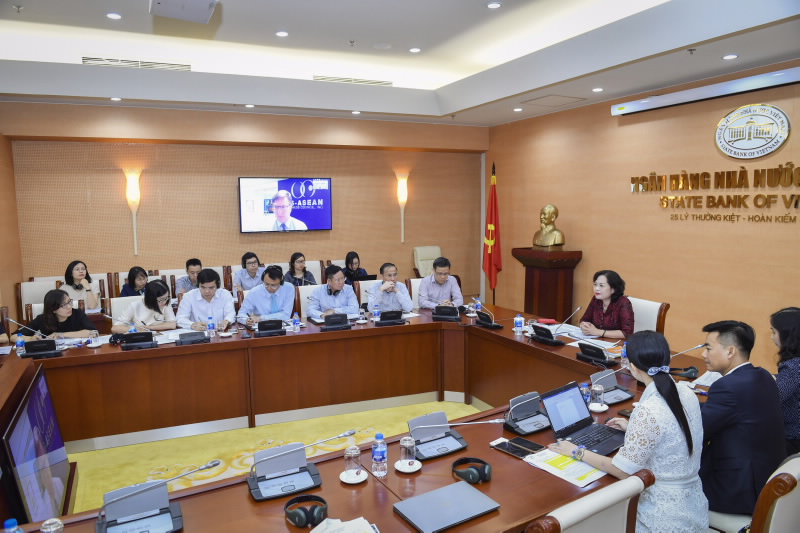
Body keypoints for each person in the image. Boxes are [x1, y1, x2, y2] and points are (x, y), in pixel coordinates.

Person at [549, 330, 708, 532]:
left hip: (659, 514)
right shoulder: (686, 392)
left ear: (632, 367)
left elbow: (623, 471)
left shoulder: (648, 410)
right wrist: (633, 427)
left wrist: (576, 451)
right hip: (693, 505)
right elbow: (673, 428)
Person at [699, 320, 786, 514]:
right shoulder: (763, 376)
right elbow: (730, 411)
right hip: (763, 480)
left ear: (730, 351)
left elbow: (697, 432)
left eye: (708, 348)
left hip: (735, 491)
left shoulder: (726, 387)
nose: (703, 354)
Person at [769, 307, 800, 455]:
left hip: (792, 439)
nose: (771, 337)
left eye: (774, 332)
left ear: (788, 336)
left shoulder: (794, 367)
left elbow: (771, 399)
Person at [13, 289, 95, 340]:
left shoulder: (77, 314)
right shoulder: (42, 319)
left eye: (69, 302)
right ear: (53, 309)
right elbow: (14, 336)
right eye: (63, 305)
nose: (69, 307)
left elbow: (93, 332)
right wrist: (31, 338)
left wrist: (61, 335)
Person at [579, 270, 634, 339]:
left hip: (615, 343)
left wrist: (598, 332)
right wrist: (584, 326)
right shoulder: (596, 300)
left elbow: (627, 333)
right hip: (596, 340)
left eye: (601, 285)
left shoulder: (623, 303)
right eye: (595, 284)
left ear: (613, 289)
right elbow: (584, 319)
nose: (596, 288)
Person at [111, 280, 177, 333]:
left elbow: (172, 324)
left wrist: (149, 328)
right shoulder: (134, 306)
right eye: (161, 300)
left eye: (167, 297)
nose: (164, 302)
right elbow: (115, 328)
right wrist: (137, 329)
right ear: (150, 298)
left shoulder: (166, 302)